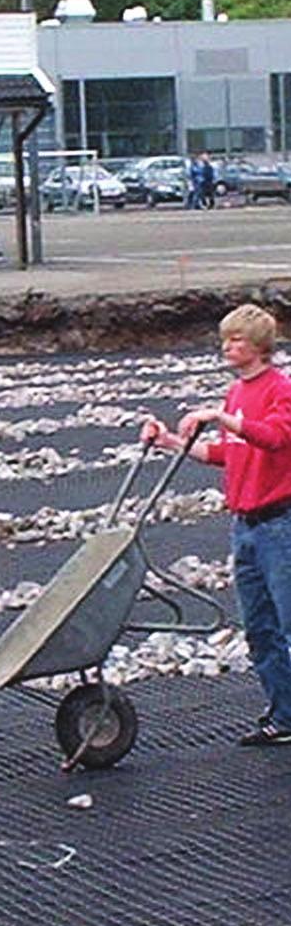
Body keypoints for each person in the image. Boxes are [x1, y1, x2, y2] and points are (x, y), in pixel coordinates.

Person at [142, 302, 291, 746]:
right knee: (259, 628)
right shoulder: (236, 395)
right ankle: (283, 715)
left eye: (236, 340)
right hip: (244, 526)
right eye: (225, 339)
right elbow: (227, 454)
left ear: (259, 346)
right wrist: (172, 442)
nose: (227, 346)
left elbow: (275, 437)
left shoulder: (279, 389)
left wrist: (222, 419)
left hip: (279, 526)